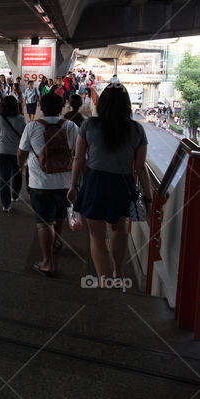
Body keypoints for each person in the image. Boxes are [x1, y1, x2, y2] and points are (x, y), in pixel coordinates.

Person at [67, 84, 153, 288]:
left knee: (96, 236)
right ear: (127, 105)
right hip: (122, 183)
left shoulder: (89, 126)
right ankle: (118, 273)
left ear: (102, 103)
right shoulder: (136, 129)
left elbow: (78, 158)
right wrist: (148, 197)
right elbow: (140, 167)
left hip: (95, 181)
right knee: (118, 229)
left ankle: (103, 282)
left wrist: (73, 185)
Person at [19, 93, 79, 275]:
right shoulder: (71, 126)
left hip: (40, 184)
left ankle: (48, 263)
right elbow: (78, 154)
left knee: (44, 223)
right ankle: (54, 245)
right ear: (61, 108)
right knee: (60, 217)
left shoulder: (32, 127)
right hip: (65, 183)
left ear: (41, 108)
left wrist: (21, 167)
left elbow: (21, 154)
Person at [0, 96, 26, 212]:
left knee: (4, 178)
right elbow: (25, 135)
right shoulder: (21, 118)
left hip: (2, 152)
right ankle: (15, 196)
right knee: (17, 173)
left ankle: (6, 205)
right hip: (17, 151)